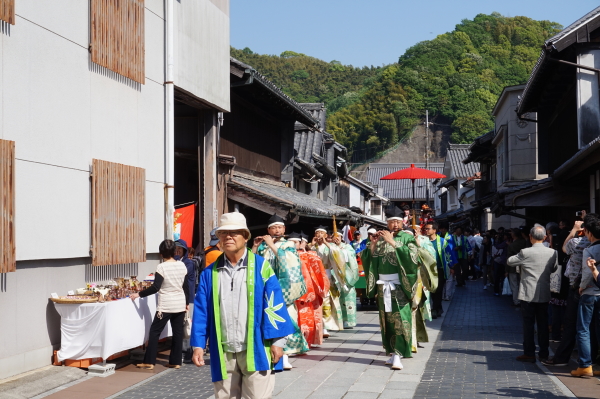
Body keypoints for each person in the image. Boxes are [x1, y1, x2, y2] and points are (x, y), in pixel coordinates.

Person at [191, 212, 295, 399]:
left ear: (246, 237)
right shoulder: (209, 273)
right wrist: (198, 344)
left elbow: (275, 304)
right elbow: (201, 311)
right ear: (219, 238)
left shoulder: (262, 267)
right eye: (223, 233)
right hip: (223, 350)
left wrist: (278, 342)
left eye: (235, 232)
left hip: (257, 347)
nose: (228, 237)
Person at [361, 207, 423, 370]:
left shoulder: (406, 238)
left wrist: (393, 243)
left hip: (399, 285)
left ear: (402, 222)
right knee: (386, 320)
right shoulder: (380, 238)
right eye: (391, 222)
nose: (394, 225)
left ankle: (399, 352)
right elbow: (369, 260)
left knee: (400, 319)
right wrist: (373, 246)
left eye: (397, 221)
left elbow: (413, 259)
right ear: (387, 223)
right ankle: (391, 350)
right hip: (383, 286)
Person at [253, 214, 309, 370]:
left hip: (284, 288)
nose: (277, 230)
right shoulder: (263, 245)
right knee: (269, 320)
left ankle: (286, 355)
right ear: (268, 230)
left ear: (284, 229)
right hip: (267, 288)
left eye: (280, 227)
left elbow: (289, 264)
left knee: (287, 320)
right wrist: (256, 247)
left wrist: (272, 245)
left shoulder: (289, 244)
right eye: (274, 228)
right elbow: (253, 263)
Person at [130, 239, 189, 370]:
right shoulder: (182, 265)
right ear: (175, 251)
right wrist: (186, 302)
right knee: (177, 333)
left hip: (166, 305)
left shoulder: (161, 267)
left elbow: (156, 287)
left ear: (161, 254)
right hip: (179, 303)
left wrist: (139, 294)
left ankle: (149, 361)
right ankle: (175, 361)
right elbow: (186, 286)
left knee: (154, 331)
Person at [543, 218, 592, 367]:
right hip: (594, 288)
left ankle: (571, 360)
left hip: (578, 287)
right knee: (590, 327)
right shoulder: (594, 245)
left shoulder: (578, 243)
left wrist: (574, 230)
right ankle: (592, 361)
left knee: (574, 325)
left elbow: (564, 248)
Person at [507, 225, 558, 363]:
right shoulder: (552, 253)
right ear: (545, 237)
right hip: (544, 292)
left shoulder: (525, 252)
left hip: (528, 293)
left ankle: (529, 353)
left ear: (530, 237)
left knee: (528, 324)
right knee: (543, 324)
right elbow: (553, 269)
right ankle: (544, 353)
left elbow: (510, 261)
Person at [288, 232, 330, 347]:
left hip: (306, 290)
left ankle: (306, 342)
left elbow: (318, 271)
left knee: (306, 318)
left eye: (295, 242)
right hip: (289, 291)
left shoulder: (310, 255)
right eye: (290, 242)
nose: (292, 244)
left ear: (300, 243)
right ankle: (294, 344)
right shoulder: (284, 255)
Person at [571, 213, 600, 377]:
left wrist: (581, 287)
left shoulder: (589, 250)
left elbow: (586, 273)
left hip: (589, 292)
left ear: (589, 232)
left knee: (583, 329)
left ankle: (585, 365)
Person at [312, 225, 347, 334]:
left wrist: (327, 243)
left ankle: (325, 326)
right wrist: (312, 246)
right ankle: (316, 326)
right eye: (317, 233)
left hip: (326, 276)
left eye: (322, 233)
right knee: (315, 302)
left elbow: (338, 255)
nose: (319, 235)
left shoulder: (330, 246)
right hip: (314, 277)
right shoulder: (312, 247)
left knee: (326, 301)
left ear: (326, 235)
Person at [425, 222, 456, 318]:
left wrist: (452, 267)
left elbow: (448, 254)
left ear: (434, 230)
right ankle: (437, 309)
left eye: (428, 228)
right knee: (430, 290)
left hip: (439, 269)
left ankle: (435, 309)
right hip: (428, 270)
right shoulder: (424, 241)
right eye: (425, 229)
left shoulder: (442, 241)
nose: (426, 230)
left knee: (438, 290)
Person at [175, 239, 196, 362]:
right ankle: (183, 351)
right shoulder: (177, 262)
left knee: (187, 324)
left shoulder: (188, 263)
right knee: (181, 325)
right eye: (175, 249)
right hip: (179, 297)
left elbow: (181, 275)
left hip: (188, 298)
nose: (177, 251)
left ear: (184, 250)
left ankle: (187, 352)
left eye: (179, 249)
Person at [333, 232, 360, 328]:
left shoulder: (347, 247)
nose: (337, 239)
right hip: (335, 274)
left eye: (338, 236)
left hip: (347, 274)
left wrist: (340, 251)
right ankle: (338, 320)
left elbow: (351, 257)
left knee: (348, 297)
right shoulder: (330, 246)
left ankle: (349, 321)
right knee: (337, 297)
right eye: (334, 237)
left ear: (341, 237)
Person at [507, 228, 527, 306]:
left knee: (514, 284)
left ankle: (516, 300)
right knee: (521, 283)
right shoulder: (525, 242)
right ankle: (522, 299)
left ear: (514, 234)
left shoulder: (511, 245)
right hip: (523, 266)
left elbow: (508, 258)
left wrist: (506, 270)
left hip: (513, 266)